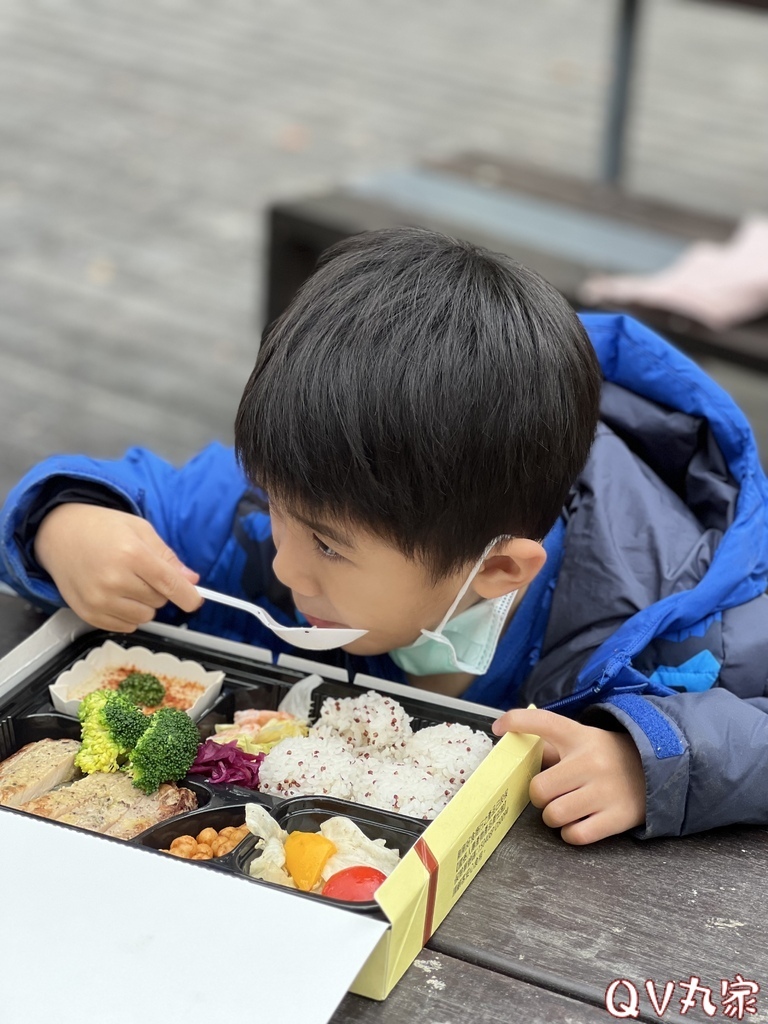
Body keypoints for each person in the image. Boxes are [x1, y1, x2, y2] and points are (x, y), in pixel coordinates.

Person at [2, 227, 768, 846]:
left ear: (499, 569)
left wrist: (656, 758)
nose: (283, 561)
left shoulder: (689, 630)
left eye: (328, 547)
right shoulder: (300, 494)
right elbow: (132, 497)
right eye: (277, 509)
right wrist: (67, 525)